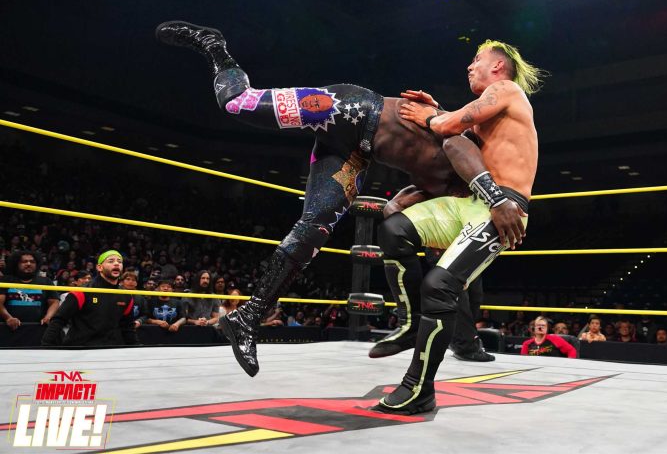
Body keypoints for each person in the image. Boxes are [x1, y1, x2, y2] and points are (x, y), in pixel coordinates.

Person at [155, 21, 523, 377]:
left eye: (477, 59)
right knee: (239, 103)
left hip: (355, 153)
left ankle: (248, 317)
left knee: (314, 230)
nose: (469, 65)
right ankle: (213, 45)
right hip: (350, 108)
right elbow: (455, 142)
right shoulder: (469, 141)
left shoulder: (450, 190)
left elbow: (399, 207)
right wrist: (496, 198)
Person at [371, 40, 541, 414]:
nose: (469, 66)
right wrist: (437, 111)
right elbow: (458, 129)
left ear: (498, 67)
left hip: (502, 207)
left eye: (477, 60)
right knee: (394, 228)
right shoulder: (491, 113)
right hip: (469, 202)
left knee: (440, 285)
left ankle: (419, 389)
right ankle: (410, 321)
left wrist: (433, 116)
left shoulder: (506, 89)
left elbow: (449, 126)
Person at [41, 251, 139, 346]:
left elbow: (128, 327)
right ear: (99, 267)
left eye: (119, 261)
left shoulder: (125, 295)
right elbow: (59, 320)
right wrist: (46, 346)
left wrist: (136, 348)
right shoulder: (82, 292)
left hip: (109, 349)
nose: (117, 263)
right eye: (111, 261)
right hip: (80, 348)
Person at [0, 251, 59, 331]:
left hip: (38, 328)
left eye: (32, 262)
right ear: (17, 264)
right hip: (9, 328)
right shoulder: (6, 280)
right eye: (24, 261)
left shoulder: (45, 281)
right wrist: (8, 318)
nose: (28, 264)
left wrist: (48, 317)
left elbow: (54, 302)